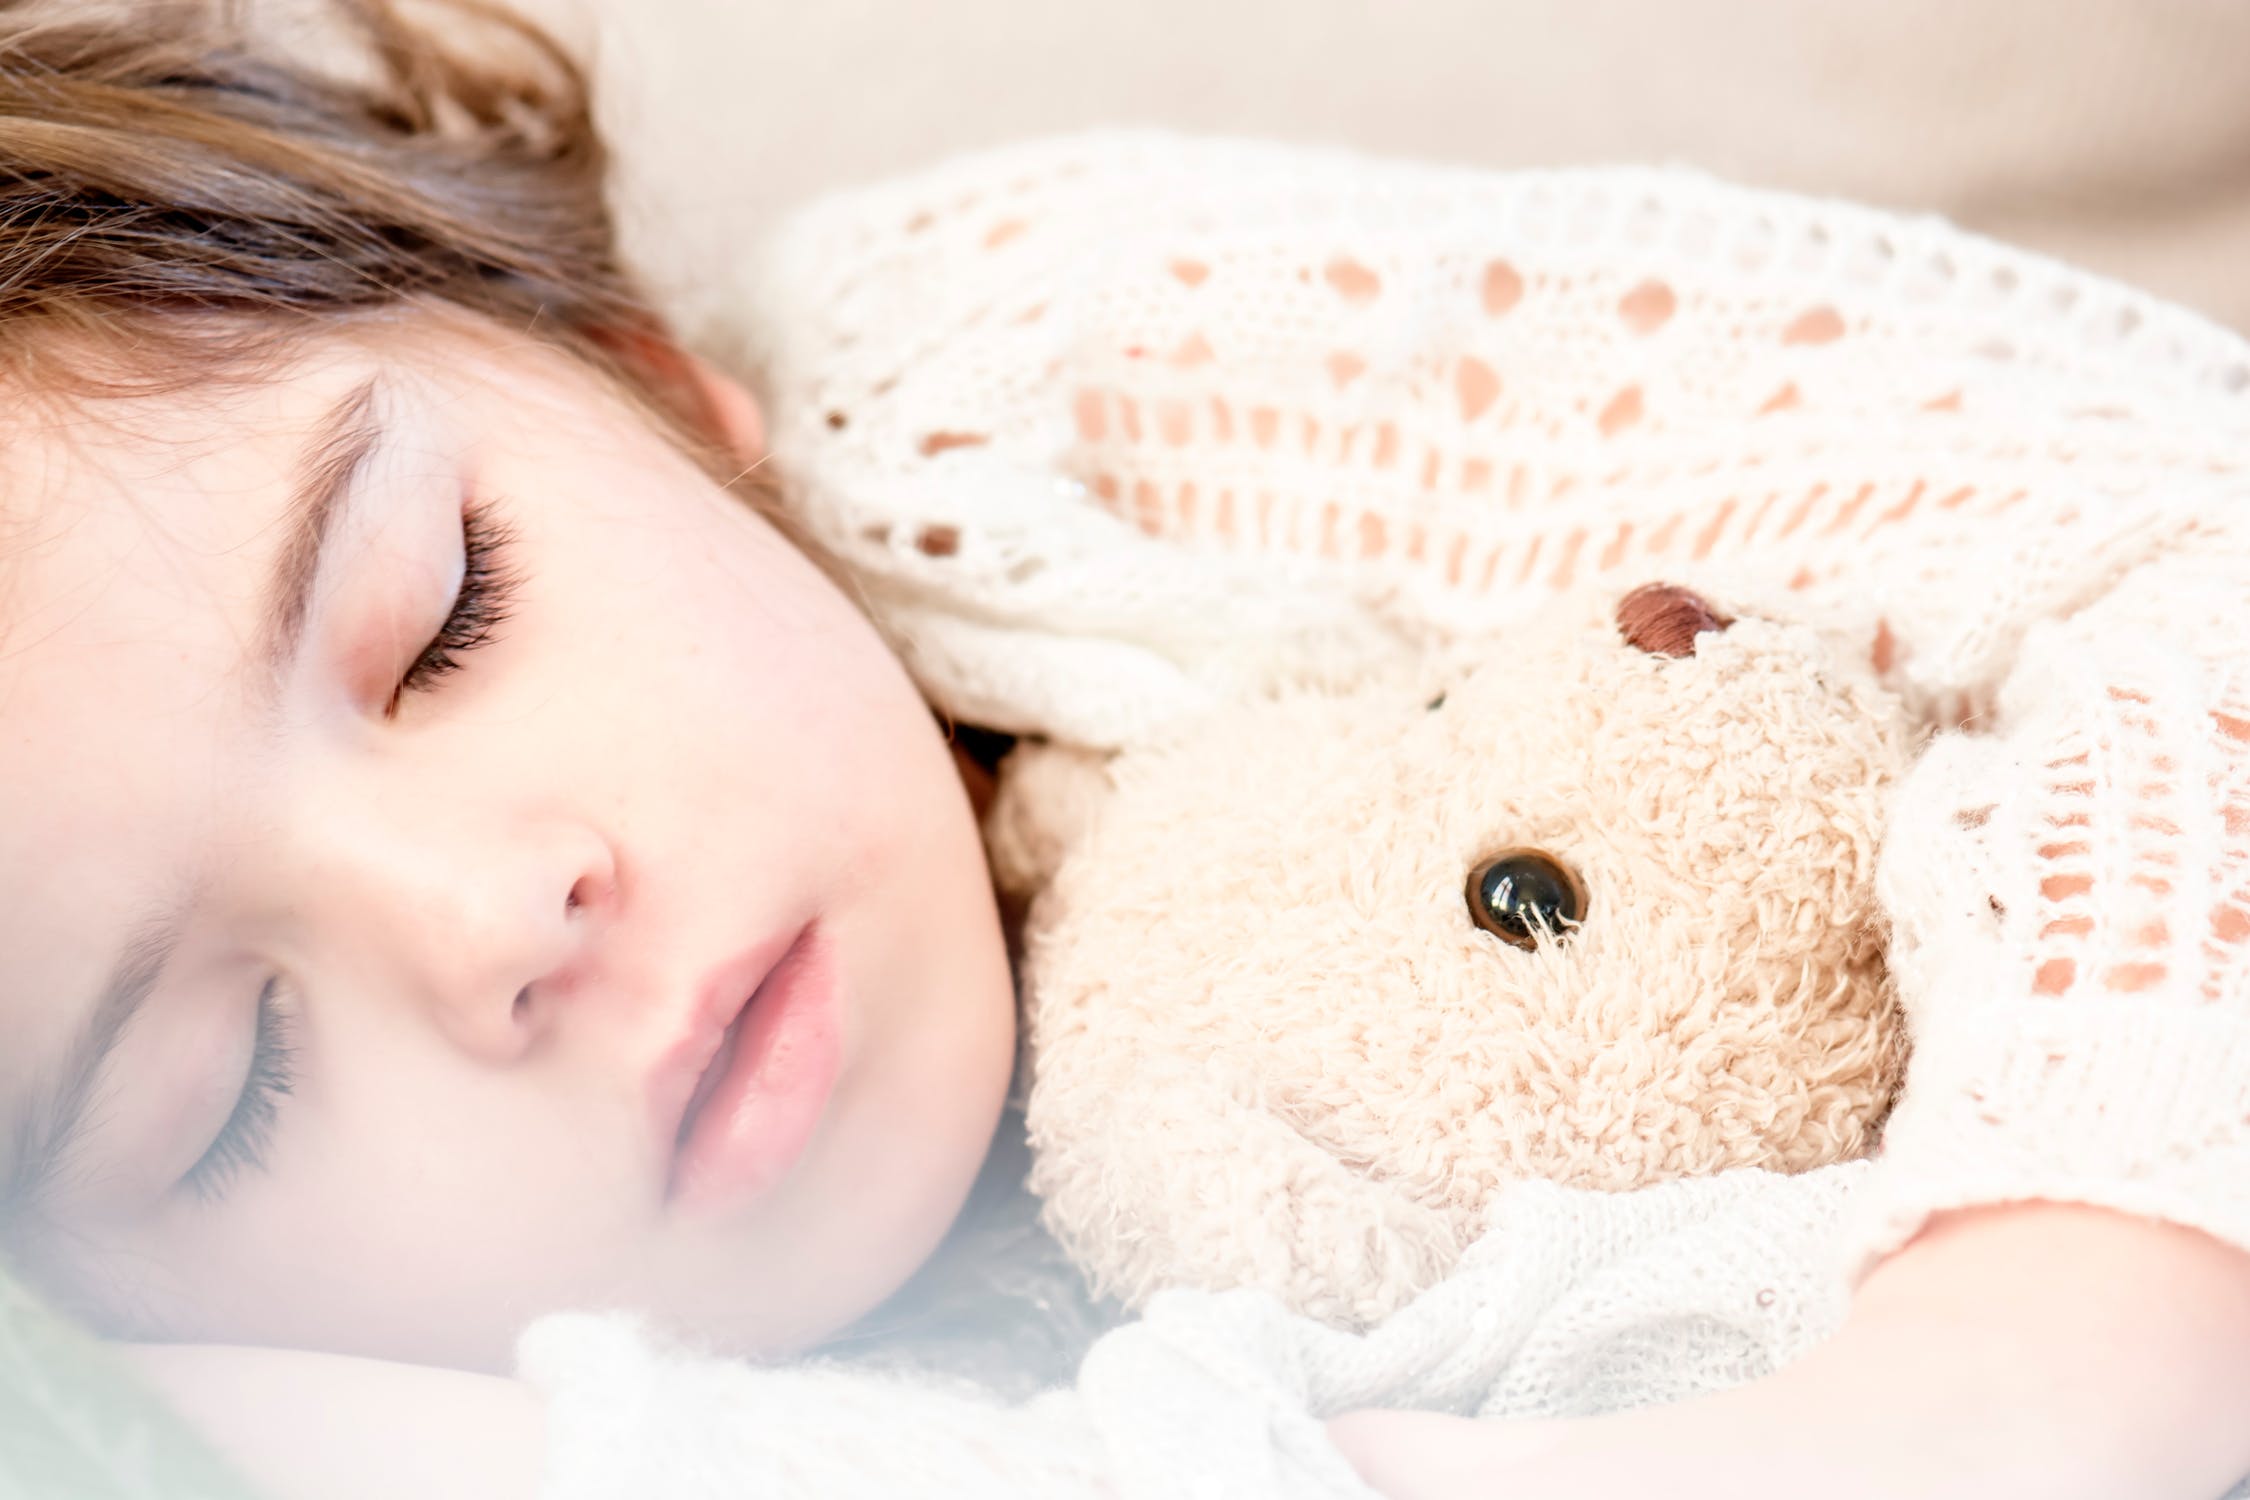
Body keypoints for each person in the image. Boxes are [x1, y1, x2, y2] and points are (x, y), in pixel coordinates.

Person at [0, 3, 2245, 1498]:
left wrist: (2086, 1313)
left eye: (448, 618)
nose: (499, 915)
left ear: (644, 380)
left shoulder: (1016, 372)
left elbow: (2173, 504)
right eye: (233, 1089)